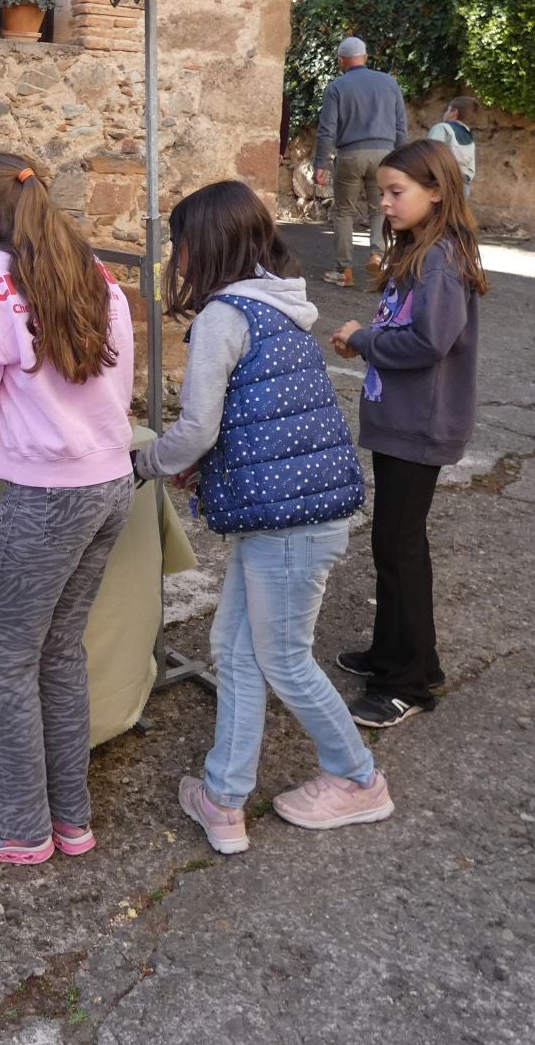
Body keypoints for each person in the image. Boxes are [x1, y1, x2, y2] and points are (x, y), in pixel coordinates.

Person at [133, 181, 387, 855]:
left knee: (282, 658)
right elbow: (247, 422)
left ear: (204, 244)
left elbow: (194, 429)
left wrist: (144, 464)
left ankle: (359, 778)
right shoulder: (280, 306)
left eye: (180, 242)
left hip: (288, 522)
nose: (175, 256)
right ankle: (223, 799)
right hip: (287, 514)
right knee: (236, 652)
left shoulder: (224, 315)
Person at [0, 153, 138, 867]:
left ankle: (17, 826)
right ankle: (68, 818)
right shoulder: (99, 272)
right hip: (110, 482)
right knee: (57, 653)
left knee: (0, 659)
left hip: (49, 495)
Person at [329, 139, 486, 729]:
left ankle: (410, 681)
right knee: (391, 545)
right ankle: (396, 653)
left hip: (422, 425)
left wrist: (364, 339)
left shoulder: (441, 259)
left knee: (400, 547)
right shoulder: (420, 252)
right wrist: (365, 336)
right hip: (400, 423)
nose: (386, 203)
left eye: (397, 193)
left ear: (438, 192)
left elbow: (427, 343)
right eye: (383, 193)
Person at [313, 35, 408, 288]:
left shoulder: (337, 87)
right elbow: (401, 125)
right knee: (381, 208)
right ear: (365, 58)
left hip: (351, 155)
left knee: (343, 211)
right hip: (385, 155)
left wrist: (320, 164)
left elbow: (327, 129)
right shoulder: (389, 83)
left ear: (341, 60)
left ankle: (344, 270)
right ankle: (378, 255)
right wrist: (404, 160)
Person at [427, 96, 479, 189]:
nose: (445, 113)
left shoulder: (442, 128)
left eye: (447, 110)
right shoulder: (469, 136)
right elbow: (471, 168)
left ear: (454, 112)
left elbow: (431, 155)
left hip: (444, 184)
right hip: (463, 186)